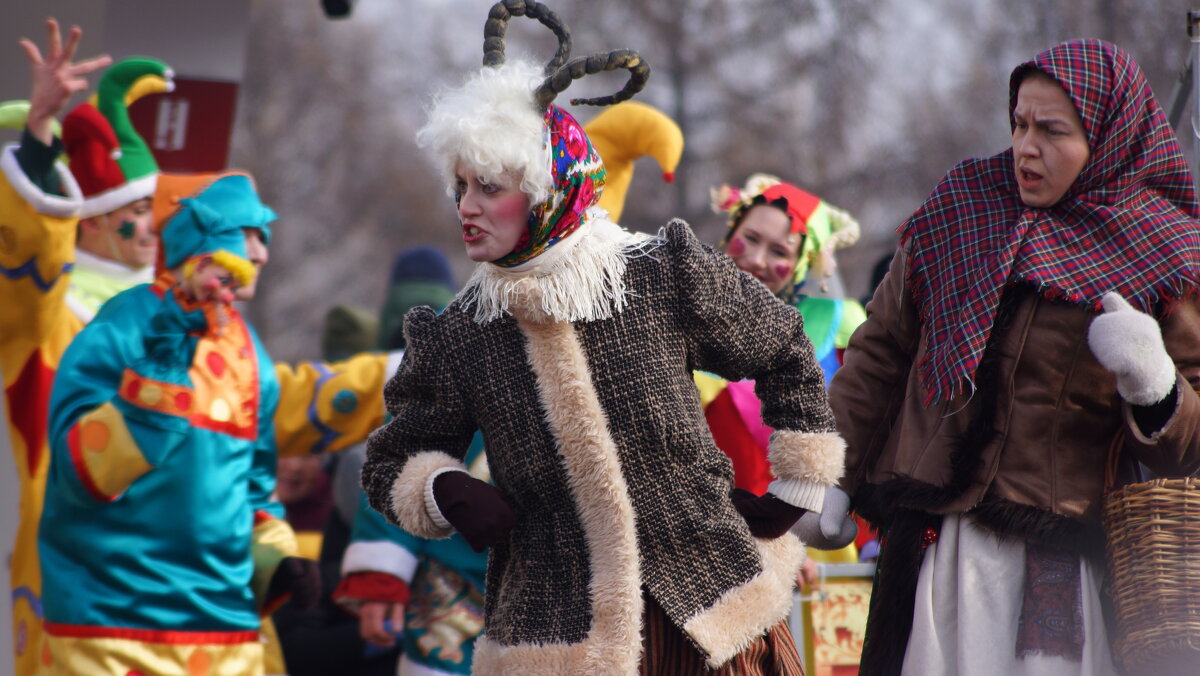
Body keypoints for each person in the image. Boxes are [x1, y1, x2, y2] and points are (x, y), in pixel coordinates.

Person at [362, 2, 853, 673]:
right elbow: (393, 458)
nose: (466, 207)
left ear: (545, 192)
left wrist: (799, 487)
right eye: (459, 186)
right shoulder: (458, 335)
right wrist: (443, 485)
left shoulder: (657, 274)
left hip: (713, 618)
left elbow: (783, 345)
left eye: (489, 186)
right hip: (556, 640)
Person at [829, 39, 1200, 675]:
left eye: (1053, 131)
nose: (1026, 147)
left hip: (1059, 564)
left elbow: (1187, 444)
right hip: (936, 549)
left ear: (1108, 137)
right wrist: (825, 479)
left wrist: (1153, 380)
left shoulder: (1165, 252)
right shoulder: (962, 210)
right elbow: (881, 354)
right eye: (1019, 123)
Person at [38, 171, 318, 675]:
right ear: (199, 235)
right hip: (110, 632)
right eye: (247, 233)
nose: (261, 254)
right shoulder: (125, 325)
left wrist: (276, 563)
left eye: (264, 237)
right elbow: (82, 472)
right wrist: (163, 362)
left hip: (225, 640)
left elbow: (253, 489)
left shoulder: (251, 354)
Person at [0, 21, 174, 676]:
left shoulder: (173, 316)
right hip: (65, 564)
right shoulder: (50, 314)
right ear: (93, 219)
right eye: (137, 209)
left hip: (163, 572)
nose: (151, 225)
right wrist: (41, 135)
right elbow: (32, 271)